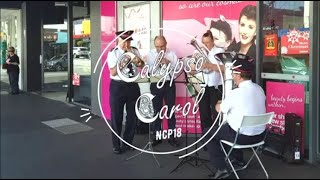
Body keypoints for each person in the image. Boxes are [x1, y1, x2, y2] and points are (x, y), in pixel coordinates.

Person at [206, 53, 266, 179]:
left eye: (233, 73)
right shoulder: (259, 89)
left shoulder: (235, 93)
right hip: (260, 137)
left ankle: (221, 168)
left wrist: (218, 102)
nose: (232, 76)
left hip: (242, 137)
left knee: (209, 133)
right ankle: (238, 160)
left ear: (239, 75)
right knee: (231, 128)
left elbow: (220, 109)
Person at [107, 30, 142, 154]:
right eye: (124, 41)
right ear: (118, 40)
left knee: (132, 116)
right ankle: (116, 145)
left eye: (128, 41)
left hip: (133, 86)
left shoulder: (134, 50)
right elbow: (113, 72)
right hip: (118, 87)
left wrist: (132, 54)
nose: (126, 43)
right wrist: (125, 58)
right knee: (117, 116)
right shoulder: (113, 53)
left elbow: (141, 65)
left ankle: (128, 142)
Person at [146, 36, 180, 147]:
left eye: (162, 46)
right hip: (156, 84)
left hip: (169, 84)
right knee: (157, 110)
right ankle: (157, 136)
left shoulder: (172, 54)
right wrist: (156, 63)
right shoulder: (150, 54)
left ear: (166, 43)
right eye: (157, 47)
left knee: (171, 111)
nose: (160, 49)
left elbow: (177, 71)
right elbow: (148, 72)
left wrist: (167, 62)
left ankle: (172, 137)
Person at [193, 30, 225, 139]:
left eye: (207, 42)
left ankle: (217, 138)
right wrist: (194, 66)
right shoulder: (198, 52)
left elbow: (224, 69)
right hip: (202, 87)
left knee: (216, 114)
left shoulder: (220, 52)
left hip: (216, 87)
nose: (205, 45)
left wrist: (209, 65)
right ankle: (206, 138)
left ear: (213, 42)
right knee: (204, 113)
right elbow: (192, 70)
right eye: (203, 42)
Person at [227, 5, 257, 82]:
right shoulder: (232, 48)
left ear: (256, 32)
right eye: (242, 25)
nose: (244, 31)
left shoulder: (257, 54)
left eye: (250, 27)